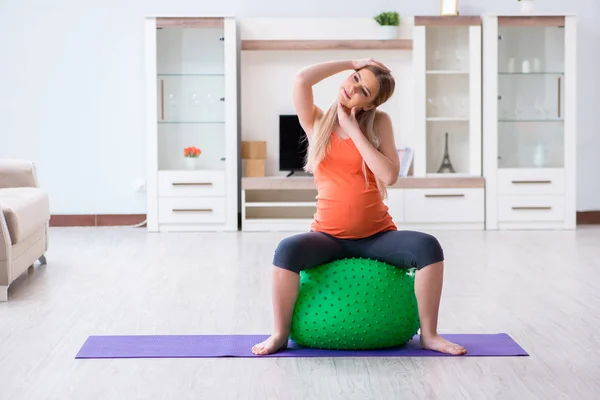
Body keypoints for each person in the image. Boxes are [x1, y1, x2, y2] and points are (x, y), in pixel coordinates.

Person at [251, 58, 466, 356]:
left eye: (363, 90)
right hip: (327, 236)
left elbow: (389, 175)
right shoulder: (317, 121)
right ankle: (279, 335)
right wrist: (350, 62)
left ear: (369, 104)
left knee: (429, 247)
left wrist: (354, 130)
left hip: (377, 236)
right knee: (286, 251)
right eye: (354, 79)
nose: (352, 88)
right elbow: (302, 79)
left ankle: (429, 335)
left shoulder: (379, 123)